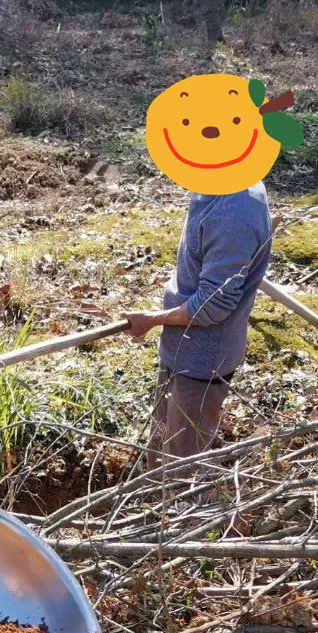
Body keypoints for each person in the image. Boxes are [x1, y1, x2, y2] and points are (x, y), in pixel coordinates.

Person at [123, 180, 273, 470]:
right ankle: (152, 506)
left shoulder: (234, 212)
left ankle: (182, 513)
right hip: (181, 347)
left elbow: (212, 305)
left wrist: (152, 319)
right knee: (162, 443)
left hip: (204, 359)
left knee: (182, 462)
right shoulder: (218, 184)